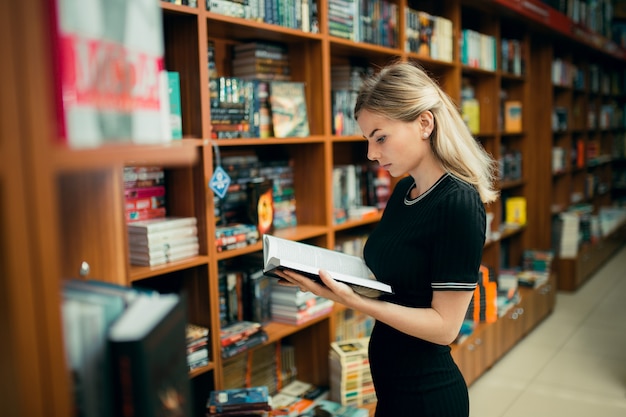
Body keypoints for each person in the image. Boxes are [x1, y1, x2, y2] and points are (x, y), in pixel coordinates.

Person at [275, 60, 499, 417]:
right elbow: (393, 280)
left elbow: (445, 329)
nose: (372, 154)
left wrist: (354, 301)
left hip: (427, 398)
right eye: (368, 140)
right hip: (393, 394)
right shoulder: (404, 190)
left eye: (380, 137)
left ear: (425, 123)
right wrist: (324, 279)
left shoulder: (458, 202)